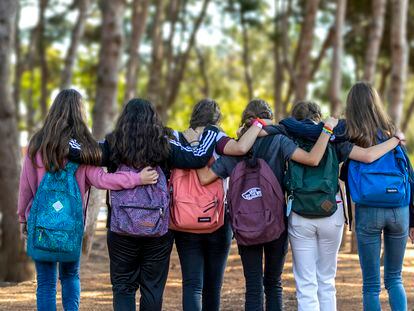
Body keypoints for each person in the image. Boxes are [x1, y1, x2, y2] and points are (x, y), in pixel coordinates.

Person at [17, 89, 158, 311]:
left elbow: (25, 186)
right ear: (81, 114)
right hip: (71, 226)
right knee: (70, 275)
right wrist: (137, 178)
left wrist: (22, 218)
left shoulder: (37, 144)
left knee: (45, 283)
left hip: (41, 224)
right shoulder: (83, 149)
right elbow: (103, 179)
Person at [196, 99, 338, 311]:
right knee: (273, 283)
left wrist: (197, 149)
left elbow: (205, 178)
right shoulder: (280, 141)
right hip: (276, 223)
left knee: (253, 286)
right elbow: (312, 159)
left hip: (245, 224)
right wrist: (327, 129)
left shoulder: (234, 148)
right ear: (268, 118)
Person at [282, 100, 403, 311]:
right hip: (332, 212)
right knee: (327, 280)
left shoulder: (287, 138)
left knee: (305, 282)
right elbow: (367, 156)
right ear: (319, 117)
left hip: (300, 214)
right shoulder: (335, 139)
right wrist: (395, 140)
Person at [172, 99, 264, 311]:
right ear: (217, 119)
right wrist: (259, 123)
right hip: (217, 217)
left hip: (184, 217)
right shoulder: (218, 137)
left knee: (192, 284)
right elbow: (242, 147)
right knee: (213, 286)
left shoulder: (177, 137)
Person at [344, 82, 412, 311]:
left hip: (369, 209)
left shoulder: (350, 136)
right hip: (399, 210)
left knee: (371, 285)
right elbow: (409, 176)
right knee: (394, 278)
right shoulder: (393, 136)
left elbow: (366, 157)